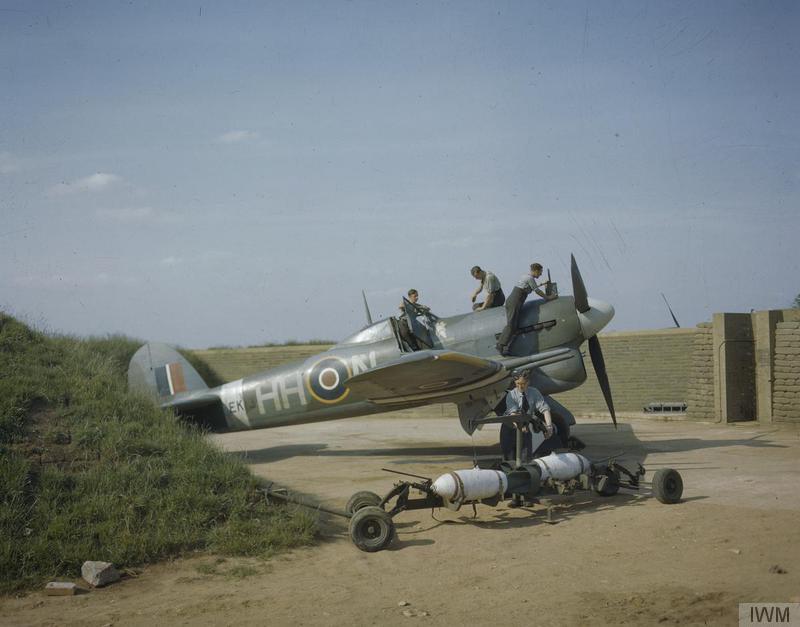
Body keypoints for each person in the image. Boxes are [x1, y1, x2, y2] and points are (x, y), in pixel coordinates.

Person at [500, 371, 562, 463]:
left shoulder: (534, 393)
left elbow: (545, 409)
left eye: (523, 384)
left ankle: (526, 472)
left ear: (528, 382)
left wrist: (549, 427)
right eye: (518, 384)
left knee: (526, 455)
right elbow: (513, 414)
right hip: (510, 426)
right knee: (510, 457)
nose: (520, 387)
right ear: (514, 383)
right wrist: (520, 426)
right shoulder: (511, 395)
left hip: (525, 426)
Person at [496, 263, 557, 355]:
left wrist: (542, 283)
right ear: (536, 270)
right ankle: (500, 345)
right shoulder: (529, 278)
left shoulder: (525, 277)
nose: (540, 274)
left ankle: (506, 346)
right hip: (515, 302)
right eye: (540, 272)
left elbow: (531, 288)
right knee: (511, 325)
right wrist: (547, 298)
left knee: (515, 326)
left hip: (514, 302)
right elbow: (536, 290)